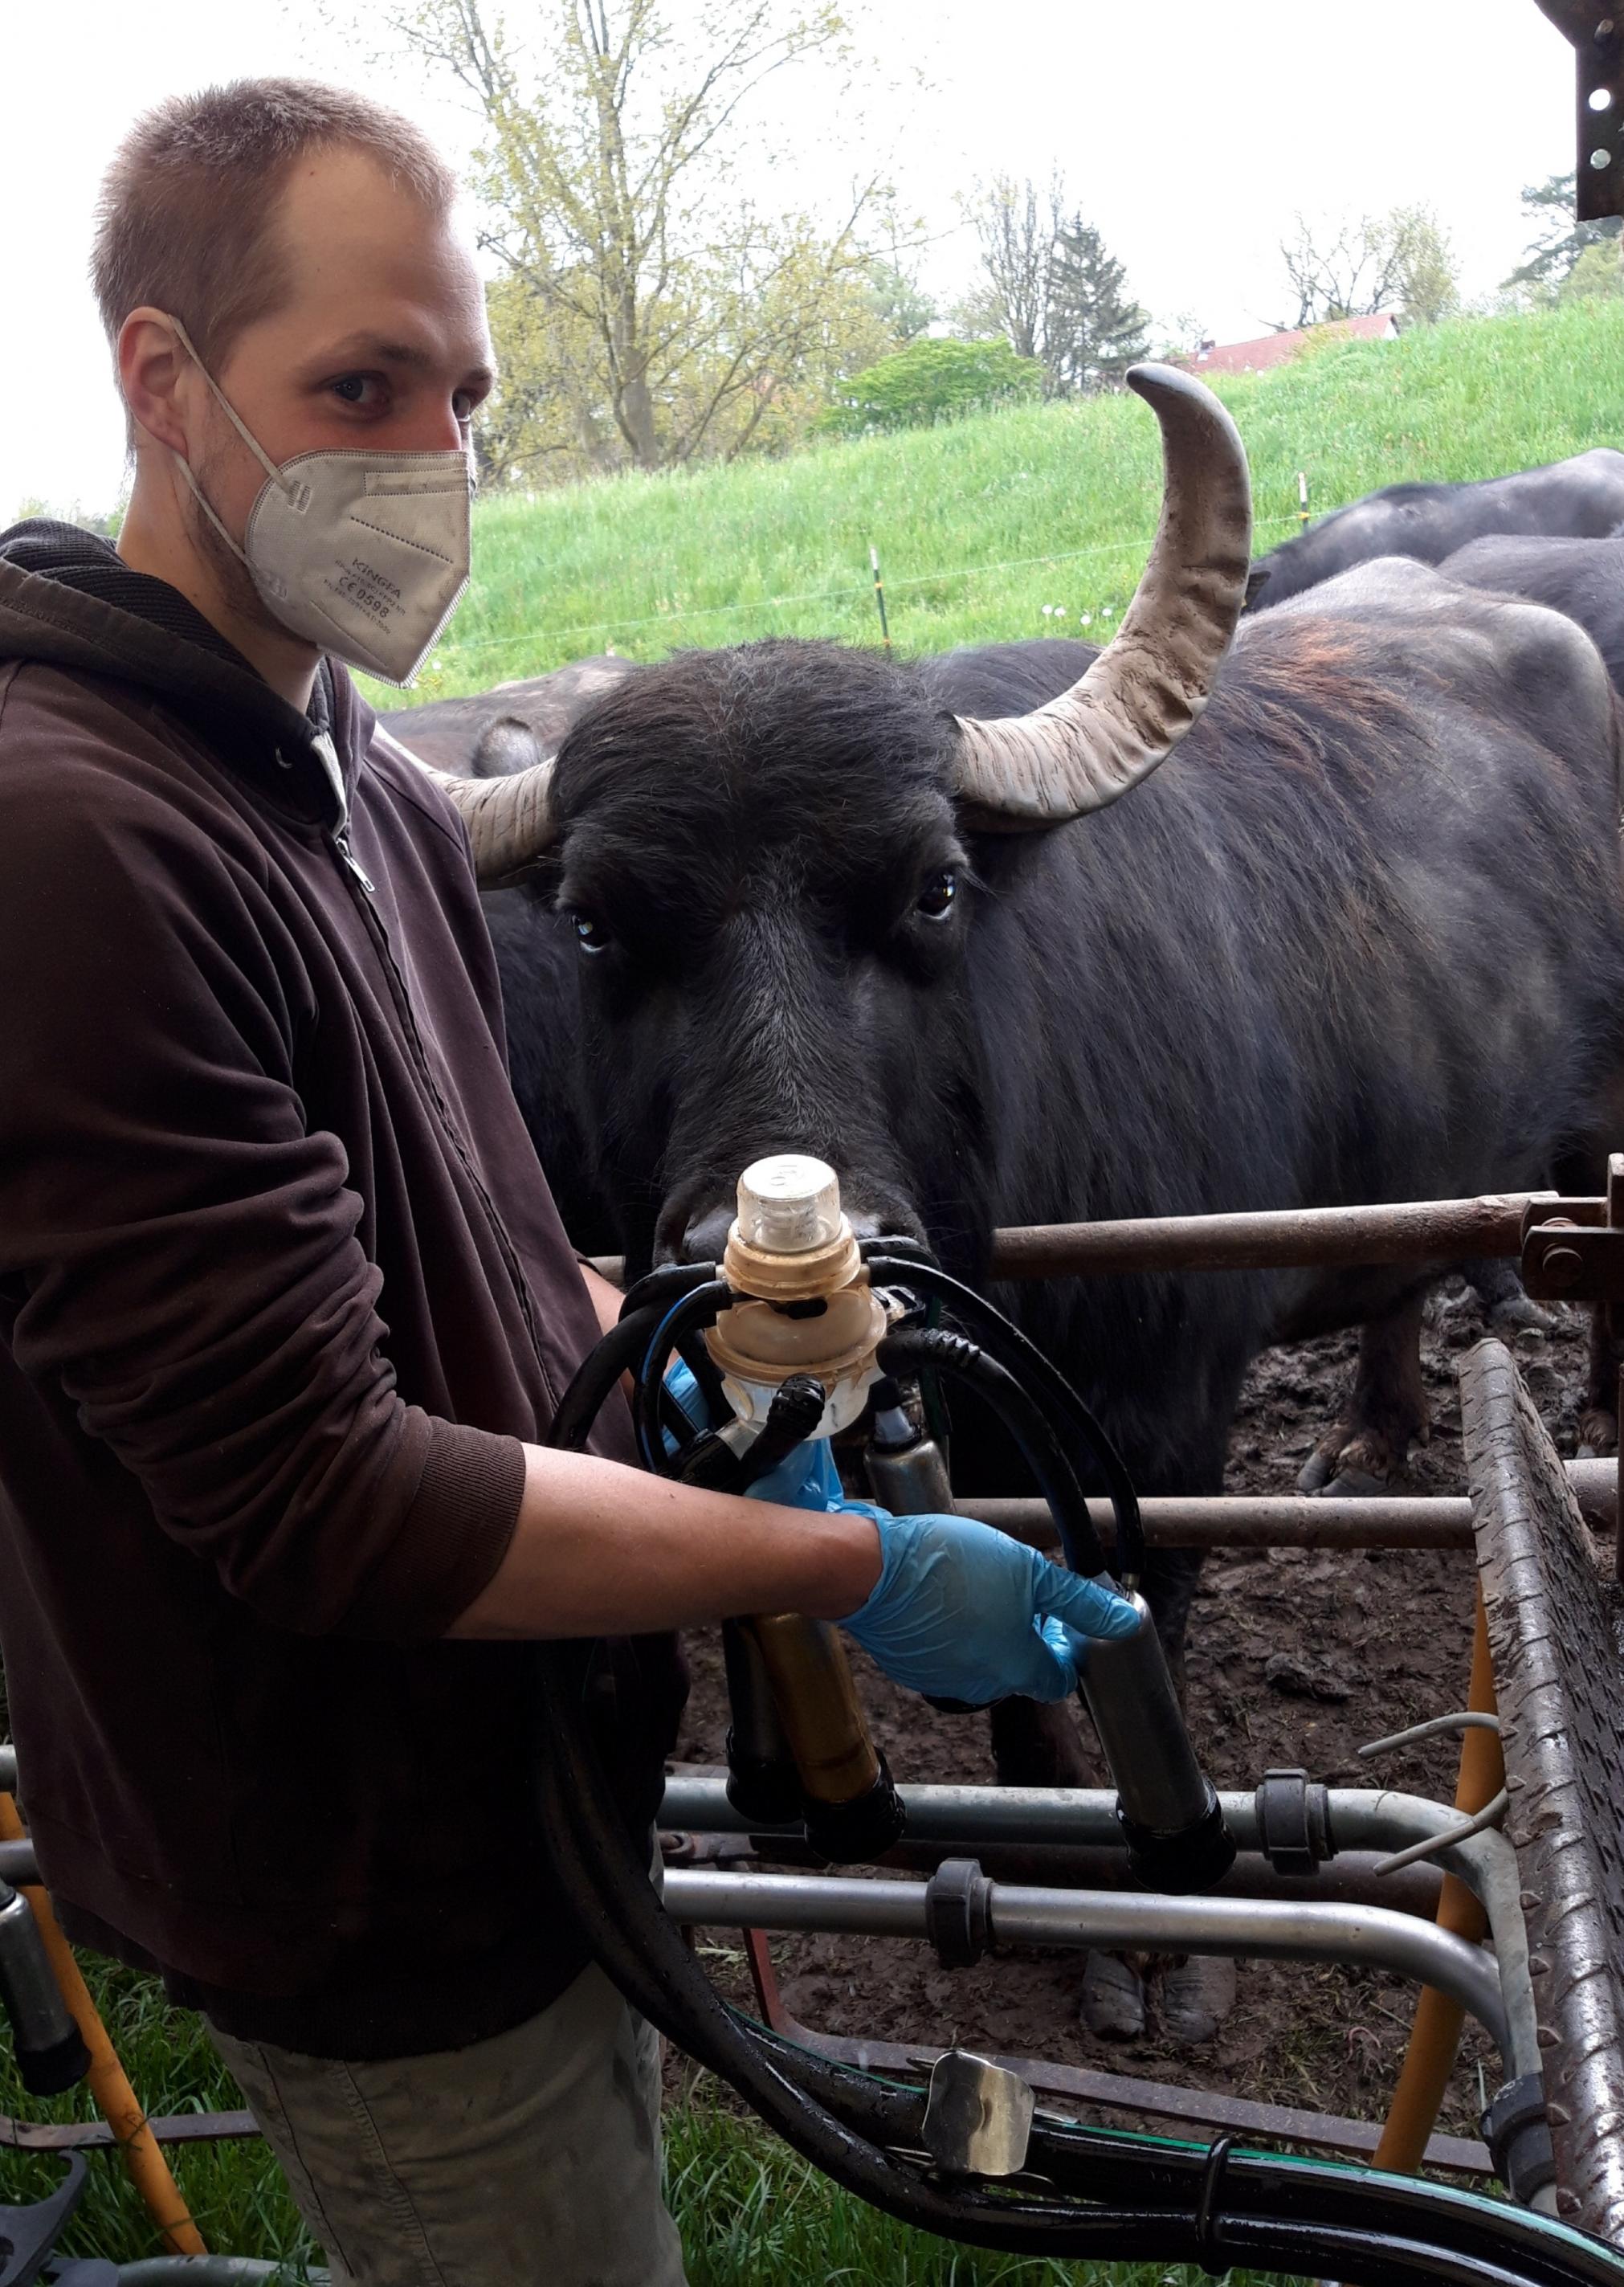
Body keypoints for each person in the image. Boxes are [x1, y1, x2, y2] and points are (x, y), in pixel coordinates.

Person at [0, 79, 1135, 2286]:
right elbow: (321, 1493)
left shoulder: (366, 788)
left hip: (521, 1805)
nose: (429, 460)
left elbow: (494, 1273)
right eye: (357, 386)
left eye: (464, 396)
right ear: (160, 379)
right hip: (364, 1876)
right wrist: (833, 1576)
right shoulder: (69, 847)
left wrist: (682, 1371)